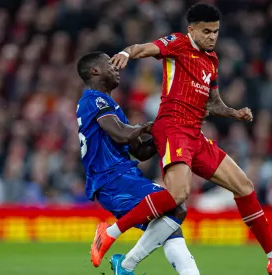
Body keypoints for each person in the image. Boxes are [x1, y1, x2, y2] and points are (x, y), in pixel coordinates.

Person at [91, 3, 272, 275]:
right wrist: (126, 52)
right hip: (172, 127)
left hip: (195, 134)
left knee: (243, 186)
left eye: (216, 32)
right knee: (179, 194)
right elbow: (143, 48)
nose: (212, 37)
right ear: (191, 29)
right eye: (206, 31)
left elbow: (213, 103)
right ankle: (110, 231)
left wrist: (234, 112)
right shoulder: (178, 43)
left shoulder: (212, 60)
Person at [76, 52, 200, 275]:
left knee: (170, 226)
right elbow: (122, 134)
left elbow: (140, 151)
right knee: (176, 205)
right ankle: (118, 249)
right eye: (109, 64)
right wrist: (150, 125)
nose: (116, 68)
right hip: (113, 179)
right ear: (95, 71)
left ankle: (127, 265)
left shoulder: (110, 106)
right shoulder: (94, 99)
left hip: (120, 178)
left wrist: (169, 134)